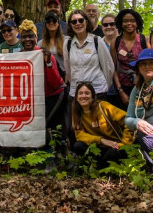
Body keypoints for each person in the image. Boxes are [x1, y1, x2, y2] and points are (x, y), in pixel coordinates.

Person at [20, 20, 66, 149]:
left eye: (30, 36)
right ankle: (42, 157)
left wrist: (48, 64)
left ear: (36, 38)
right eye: (24, 37)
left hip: (53, 95)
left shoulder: (45, 54)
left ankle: (59, 157)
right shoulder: (19, 57)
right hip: (34, 100)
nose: (27, 39)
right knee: (39, 128)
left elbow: (56, 83)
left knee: (54, 127)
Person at [71, 82, 133, 166]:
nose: (83, 96)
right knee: (78, 146)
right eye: (80, 93)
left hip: (115, 146)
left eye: (87, 93)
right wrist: (102, 140)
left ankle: (101, 168)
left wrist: (124, 143)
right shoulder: (77, 112)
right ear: (77, 98)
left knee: (111, 155)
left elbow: (128, 121)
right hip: (99, 146)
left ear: (92, 97)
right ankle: (99, 167)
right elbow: (80, 136)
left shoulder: (103, 106)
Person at [63, 9, 114, 101]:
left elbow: (108, 67)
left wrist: (105, 85)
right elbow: (68, 69)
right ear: (70, 25)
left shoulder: (97, 41)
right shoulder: (67, 44)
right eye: (74, 21)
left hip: (97, 91)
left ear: (86, 21)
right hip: (76, 93)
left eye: (81, 20)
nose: (78, 23)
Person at [111, 8, 147, 107]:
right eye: (125, 21)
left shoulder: (144, 41)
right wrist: (120, 91)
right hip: (122, 88)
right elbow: (113, 69)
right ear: (121, 24)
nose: (129, 23)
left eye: (132, 21)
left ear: (137, 23)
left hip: (142, 87)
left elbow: (150, 66)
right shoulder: (116, 42)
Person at [40, 11, 66, 79]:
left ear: (58, 23)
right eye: (48, 21)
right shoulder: (40, 43)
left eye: (54, 20)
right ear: (45, 24)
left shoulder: (66, 41)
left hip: (63, 78)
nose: (51, 23)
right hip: (47, 78)